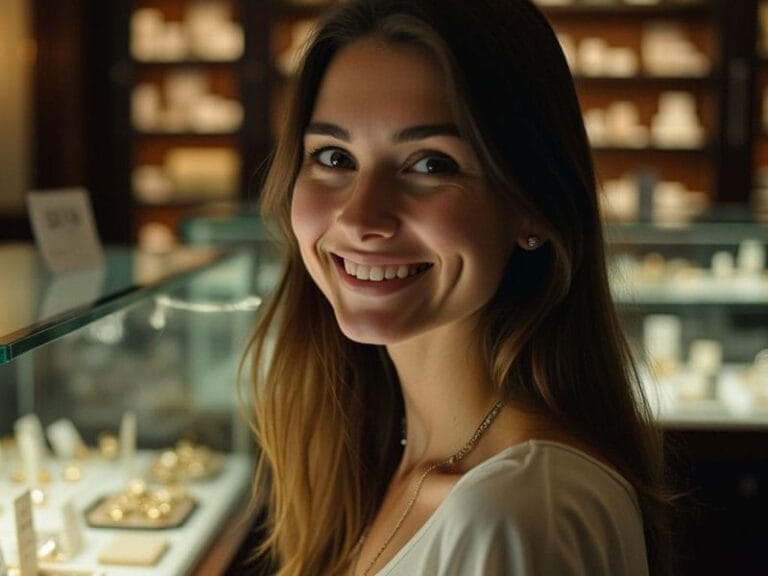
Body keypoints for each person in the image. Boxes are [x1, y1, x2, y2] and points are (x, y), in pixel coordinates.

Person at [246, 0, 674, 574]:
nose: (361, 218)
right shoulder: (380, 459)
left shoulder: (517, 511)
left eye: (429, 165)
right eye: (334, 156)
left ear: (531, 208)